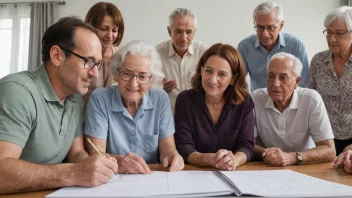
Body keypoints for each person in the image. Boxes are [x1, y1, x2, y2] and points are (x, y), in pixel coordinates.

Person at [0, 16, 118, 194]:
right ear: (57, 56)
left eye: (98, 64)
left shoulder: (75, 99)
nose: (95, 73)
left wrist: (92, 164)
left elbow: (76, 153)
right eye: (88, 61)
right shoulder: (17, 91)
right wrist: (73, 173)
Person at [84, 40, 184, 174]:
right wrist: (119, 162)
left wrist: (172, 155)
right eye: (126, 73)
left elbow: (167, 149)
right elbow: (96, 152)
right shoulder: (100, 99)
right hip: (112, 178)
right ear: (116, 74)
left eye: (142, 76)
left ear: (151, 80)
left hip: (151, 178)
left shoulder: (160, 99)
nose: (133, 83)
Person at [174, 43, 254, 170]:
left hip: (232, 173)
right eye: (208, 71)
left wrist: (235, 159)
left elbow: (246, 145)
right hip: (194, 174)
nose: (212, 79)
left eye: (222, 74)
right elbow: (183, 147)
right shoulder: (185, 100)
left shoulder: (244, 101)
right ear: (201, 70)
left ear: (233, 79)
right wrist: (207, 159)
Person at [252, 52, 335, 167]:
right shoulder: (255, 99)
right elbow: (248, 144)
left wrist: (291, 157)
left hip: (304, 167)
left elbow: (329, 150)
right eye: (271, 76)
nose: (275, 84)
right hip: (266, 166)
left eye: (283, 77)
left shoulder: (311, 99)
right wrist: (271, 155)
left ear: (297, 81)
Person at [306, 6, 352, 155]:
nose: (332, 39)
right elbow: (309, 98)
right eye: (329, 32)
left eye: (339, 33)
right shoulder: (318, 61)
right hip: (324, 139)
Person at [238, 1, 309, 92]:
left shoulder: (296, 46)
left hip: (288, 101)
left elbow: (304, 83)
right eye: (260, 27)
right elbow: (237, 80)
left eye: (270, 27)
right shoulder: (245, 47)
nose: (265, 34)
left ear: (281, 25)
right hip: (258, 101)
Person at [156, 7, 208, 112]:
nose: (184, 38)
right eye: (178, 32)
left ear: (194, 32)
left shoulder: (204, 51)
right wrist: (161, 89)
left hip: (198, 115)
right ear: (169, 31)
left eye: (189, 32)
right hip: (170, 116)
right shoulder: (157, 53)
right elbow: (148, 91)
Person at [84, 2, 125, 107]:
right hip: (81, 116)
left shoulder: (121, 56)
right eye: (103, 29)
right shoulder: (81, 55)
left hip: (111, 118)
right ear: (90, 27)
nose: (110, 36)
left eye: (115, 30)